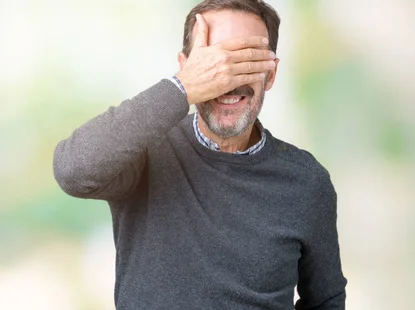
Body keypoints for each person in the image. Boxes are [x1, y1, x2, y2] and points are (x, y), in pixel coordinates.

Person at [52, 0, 347, 309]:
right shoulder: (145, 151)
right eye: (213, 63)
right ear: (187, 67)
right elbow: (73, 171)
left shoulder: (306, 182)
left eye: (244, 61)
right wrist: (183, 88)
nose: (227, 79)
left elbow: (326, 300)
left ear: (270, 74)